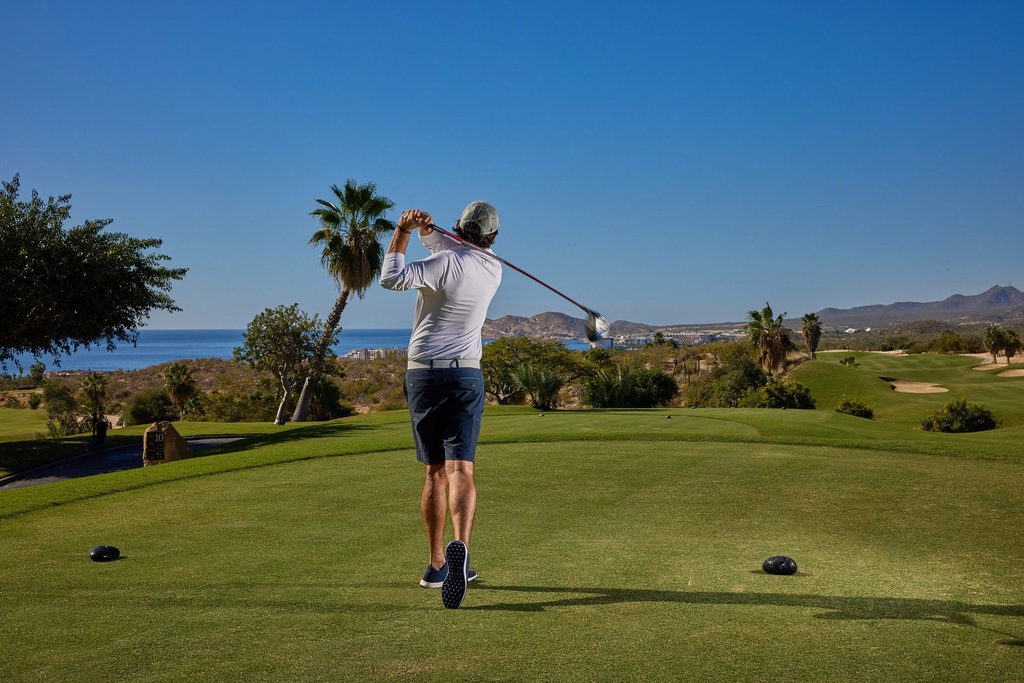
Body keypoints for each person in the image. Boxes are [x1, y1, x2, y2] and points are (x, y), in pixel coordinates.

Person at [379, 201, 502, 610]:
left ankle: (436, 565)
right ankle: (461, 551)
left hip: (425, 375)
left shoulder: (443, 263)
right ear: (494, 237)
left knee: (434, 474)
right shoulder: (493, 267)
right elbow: (452, 250)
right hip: (467, 374)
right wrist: (428, 231)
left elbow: (391, 277)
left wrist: (403, 230)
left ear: (458, 227)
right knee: (461, 470)